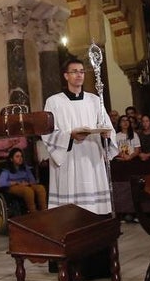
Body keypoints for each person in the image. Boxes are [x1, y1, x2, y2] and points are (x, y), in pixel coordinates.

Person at [41, 57, 118, 215]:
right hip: (69, 158)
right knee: (69, 213)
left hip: (92, 158)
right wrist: (70, 136)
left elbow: (108, 128)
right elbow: (48, 132)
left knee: (94, 209)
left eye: (82, 71)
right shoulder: (54, 102)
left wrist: (106, 135)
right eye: (74, 72)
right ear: (66, 76)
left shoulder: (95, 100)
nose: (79, 75)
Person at [0, 147, 47, 213]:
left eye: (21, 156)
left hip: (25, 184)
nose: (20, 158)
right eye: (17, 156)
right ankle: (33, 212)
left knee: (40, 188)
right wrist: (16, 183)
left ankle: (44, 211)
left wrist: (28, 183)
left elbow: (33, 181)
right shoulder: (6, 170)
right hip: (12, 186)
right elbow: (1, 184)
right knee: (28, 191)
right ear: (11, 159)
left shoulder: (25, 168)